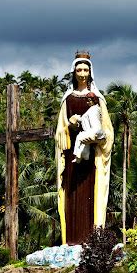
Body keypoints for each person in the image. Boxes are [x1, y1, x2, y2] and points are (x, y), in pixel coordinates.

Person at [55, 51, 113, 245]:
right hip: (72, 156)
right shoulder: (68, 99)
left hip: (92, 160)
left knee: (90, 196)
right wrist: (70, 125)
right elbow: (60, 132)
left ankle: (92, 240)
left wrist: (97, 139)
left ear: (90, 72)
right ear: (74, 72)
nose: (82, 73)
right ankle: (70, 239)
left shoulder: (97, 98)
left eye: (85, 69)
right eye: (79, 69)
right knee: (72, 196)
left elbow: (107, 130)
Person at [72, 92, 106, 163]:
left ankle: (78, 156)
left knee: (80, 137)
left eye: (90, 100)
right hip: (94, 131)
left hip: (95, 130)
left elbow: (85, 118)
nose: (88, 102)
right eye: (87, 101)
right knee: (84, 141)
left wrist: (77, 118)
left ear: (94, 100)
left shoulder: (94, 109)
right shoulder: (94, 108)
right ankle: (83, 156)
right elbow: (85, 118)